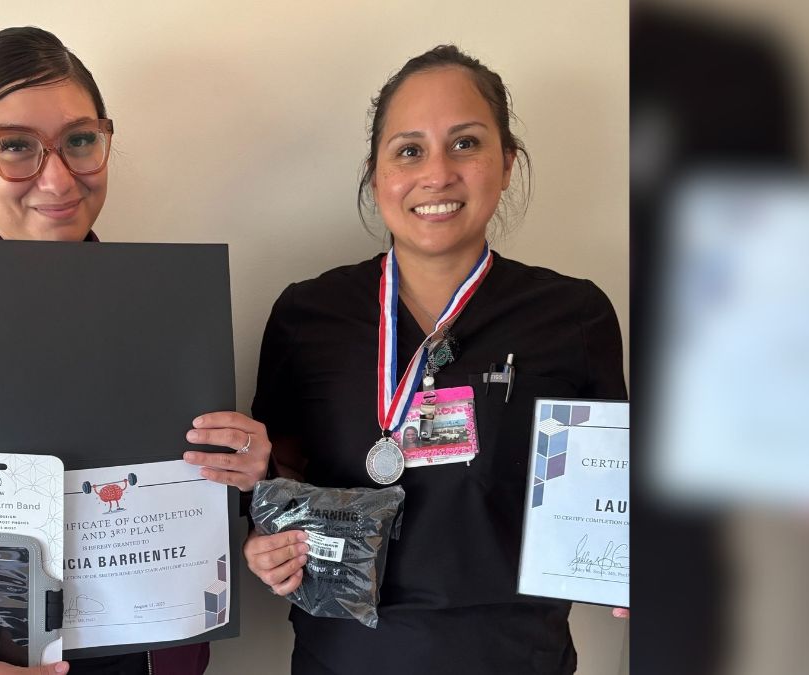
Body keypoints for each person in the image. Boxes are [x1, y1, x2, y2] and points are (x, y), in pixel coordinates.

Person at [0, 27, 267, 675]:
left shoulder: (172, 307)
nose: (57, 178)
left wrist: (247, 475)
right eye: (15, 146)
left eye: (80, 141)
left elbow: (200, 503)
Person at [242, 45, 627, 674]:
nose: (438, 174)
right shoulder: (307, 315)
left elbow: (610, 490)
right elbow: (273, 481)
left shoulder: (573, 315)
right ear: (375, 174)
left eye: (465, 144)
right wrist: (264, 541)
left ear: (507, 163)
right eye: (409, 150)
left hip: (515, 659)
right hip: (345, 657)